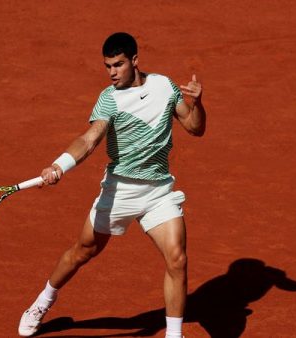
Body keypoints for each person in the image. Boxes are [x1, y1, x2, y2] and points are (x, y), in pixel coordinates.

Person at [18, 32, 207, 338]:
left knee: (177, 258)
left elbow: (196, 128)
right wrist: (60, 165)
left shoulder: (165, 86)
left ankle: (174, 335)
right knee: (82, 251)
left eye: (118, 65)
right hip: (120, 191)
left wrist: (196, 103)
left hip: (158, 191)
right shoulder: (110, 99)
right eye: (108, 66)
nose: (112, 72)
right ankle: (44, 300)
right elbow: (90, 139)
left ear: (135, 60)